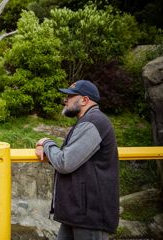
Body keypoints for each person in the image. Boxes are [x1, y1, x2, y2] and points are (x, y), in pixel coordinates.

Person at [35, 80, 119, 240]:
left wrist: (46, 143)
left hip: (90, 216)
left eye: (70, 96)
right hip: (78, 213)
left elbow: (65, 162)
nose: (65, 100)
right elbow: (70, 157)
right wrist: (48, 149)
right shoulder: (88, 121)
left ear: (84, 100)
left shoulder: (94, 123)